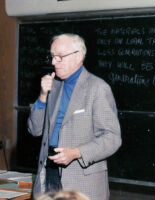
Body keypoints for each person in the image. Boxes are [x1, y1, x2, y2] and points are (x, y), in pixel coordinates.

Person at [27, 33, 122, 200]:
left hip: (81, 180)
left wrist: (78, 152)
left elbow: (112, 138)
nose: (53, 62)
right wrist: (42, 96)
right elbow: (35, 130)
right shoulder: (53, 86)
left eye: (60, 57)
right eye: (52, 56)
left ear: (79, 56)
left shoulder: (97, 88)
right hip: (48, 174)